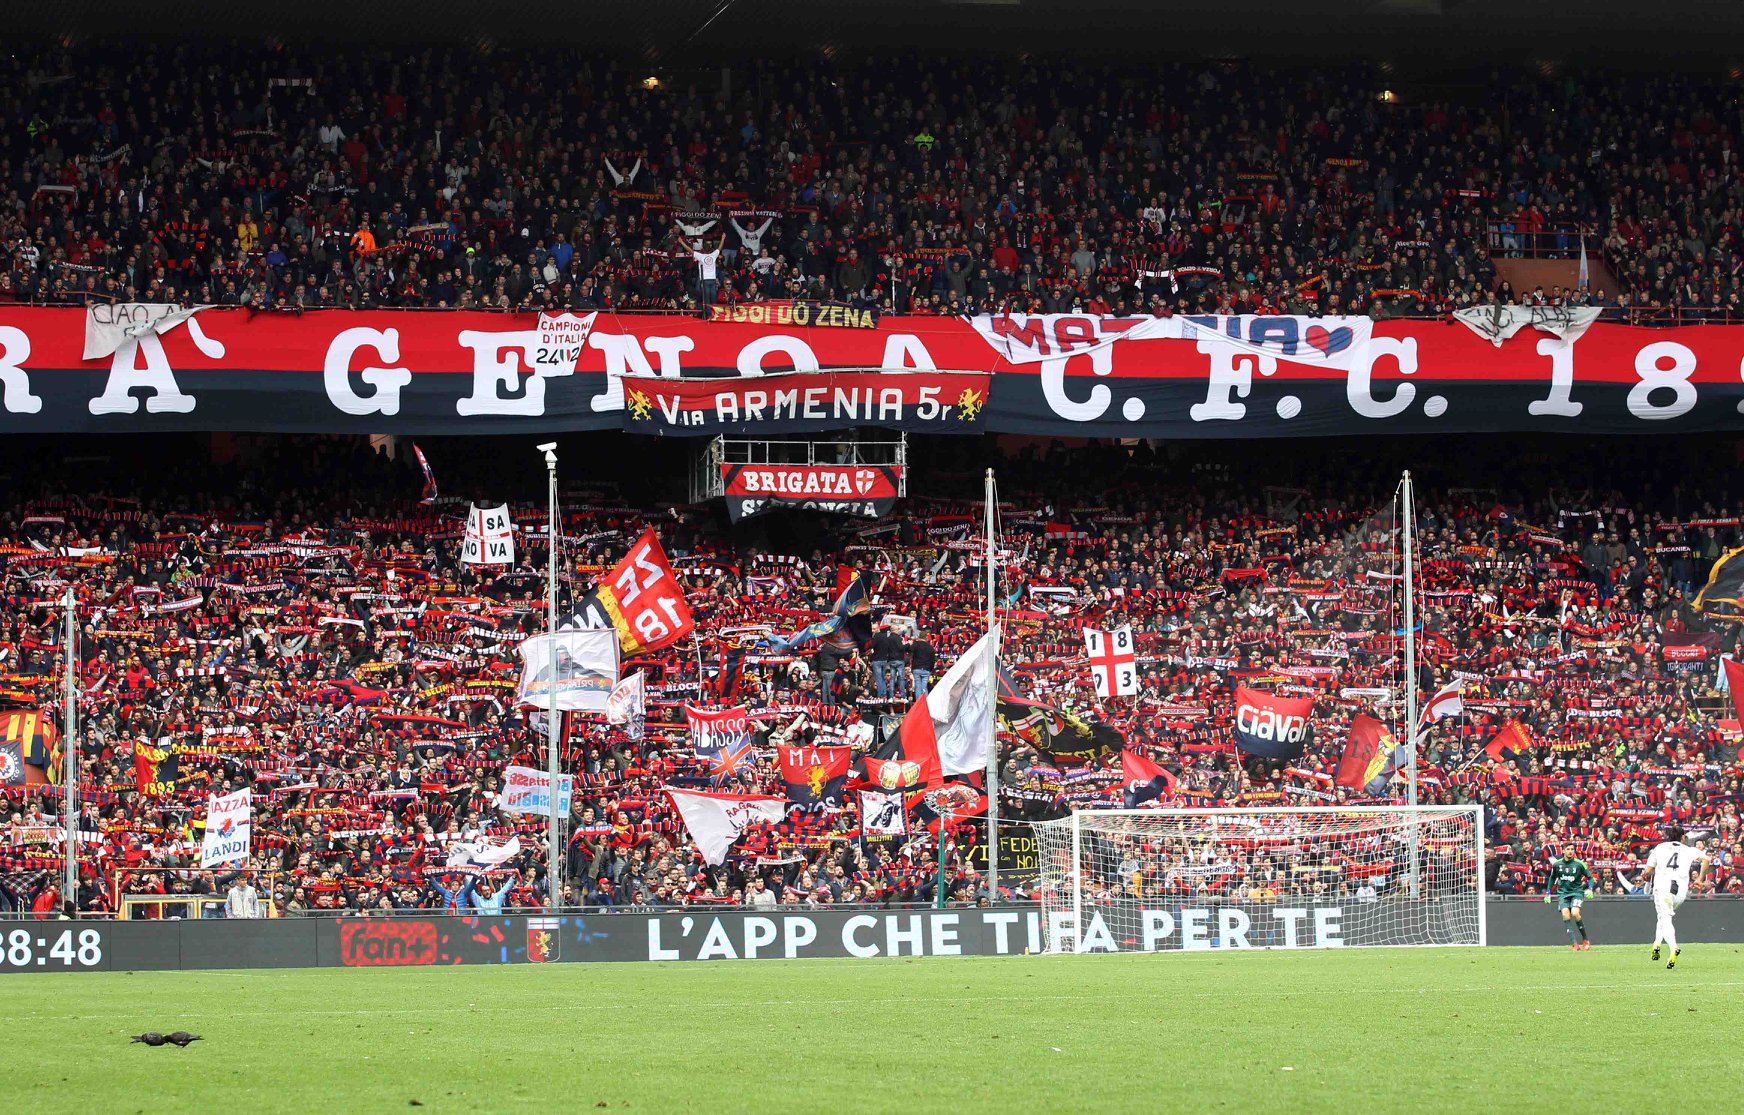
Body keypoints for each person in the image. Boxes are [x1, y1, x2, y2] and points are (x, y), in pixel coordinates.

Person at [1636, 826, 1709, 969]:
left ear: (1668, 836)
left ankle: (1673, 947)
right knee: (1664, 917)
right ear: (1682, 837)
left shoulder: (1659, 848)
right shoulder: (1689, 850)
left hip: (1663, 887)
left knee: (1665, 917)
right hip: (1680, 891)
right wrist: (1700, 879)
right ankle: (1657, 944)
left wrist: (1644, 875)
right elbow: (1706, 860)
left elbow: (1649, 870)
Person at [1544, 847, 1597, 950]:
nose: (1570, 851)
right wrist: (1548, 893)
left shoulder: (1579, 864)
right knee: (1565, 915)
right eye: (1568, 849)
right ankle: (1574, 944)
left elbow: (1590, 878)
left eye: (1572, 849)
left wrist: (1590, 889)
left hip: (1576, 892)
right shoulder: (1557, 864)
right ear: (1563, 851)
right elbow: (1552, 878)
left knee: (1575, 913)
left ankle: (1585, 940)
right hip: (1563, 894)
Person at [908, 629, 936, 698]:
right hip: (926, 669)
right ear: (926, 637)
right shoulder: (930, 647)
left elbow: (909, 650)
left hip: (916, 668)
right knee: (924, 687)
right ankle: (924, 703)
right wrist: (931, 669)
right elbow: (933, 660)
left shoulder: (916, 644)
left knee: (918, 686)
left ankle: (918, 703)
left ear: (919, 636)